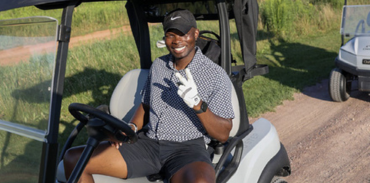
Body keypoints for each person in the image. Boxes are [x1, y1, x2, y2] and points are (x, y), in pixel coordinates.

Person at [63, 9, 234, 183]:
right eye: (170, 35)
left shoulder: (215, 75)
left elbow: (223, 134)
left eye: (182, 34)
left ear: (195, 34)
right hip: (149, 144)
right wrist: (131, 127)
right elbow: (146, 105)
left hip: (187, 149)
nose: (176, 41)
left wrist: (198, 105)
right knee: (73, 159)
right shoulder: (159, 66)